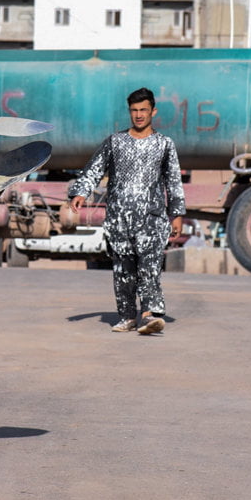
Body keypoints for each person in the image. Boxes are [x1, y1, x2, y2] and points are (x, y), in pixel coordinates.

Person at [68, 87, 186, 335]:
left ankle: (149, 315)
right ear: (129, 112)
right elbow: (94, 169)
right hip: (119, 219)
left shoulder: (164, 144)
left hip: (151, 219)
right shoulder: (115, 142)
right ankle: (127, 316)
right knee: (123, 270)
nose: (139, 115)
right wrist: (80, 192)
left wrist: (177, 214)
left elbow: (174, 180)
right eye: (134, 110)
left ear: (153, 111)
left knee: (150, 267)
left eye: (144, 110)